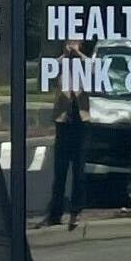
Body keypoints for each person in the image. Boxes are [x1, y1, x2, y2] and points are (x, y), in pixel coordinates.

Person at [41, 38, 89, 228]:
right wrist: (65, 56)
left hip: (81, 121)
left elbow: (95, 70)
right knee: (60, 170)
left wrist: (79, 56)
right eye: (70, 42)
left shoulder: (86, 64)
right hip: (63, 121)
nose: (73, 46)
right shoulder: (60, 64)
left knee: (79, 169)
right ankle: (55, 212)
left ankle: (76, 211)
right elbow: (49, 72)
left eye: (76, 42)